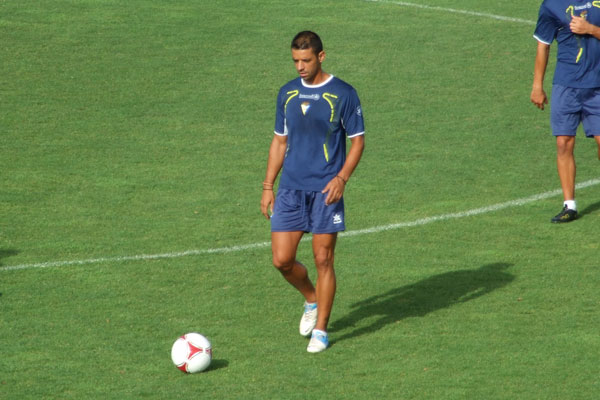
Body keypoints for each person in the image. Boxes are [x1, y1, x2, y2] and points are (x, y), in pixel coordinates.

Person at [260, 31, 365, 353]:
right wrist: (268, 186)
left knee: (323, 259)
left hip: (325, 191)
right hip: (291, 188)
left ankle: (321, 330)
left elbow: (357, 141)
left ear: (321, 56)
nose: (300, 67)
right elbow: (280, 141)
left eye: (305, 60)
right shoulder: (287, 93)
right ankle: (311, 298)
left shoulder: (343, 93)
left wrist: (342, 179)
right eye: (295, 61)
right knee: (282, 260)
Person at [531, 0, 600, 223]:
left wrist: (590, 29)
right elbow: (543, 45)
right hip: (566, 85)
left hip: (597, 85)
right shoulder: (551, 5)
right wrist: (537, 85)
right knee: (563, 143)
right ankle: (569, 205)